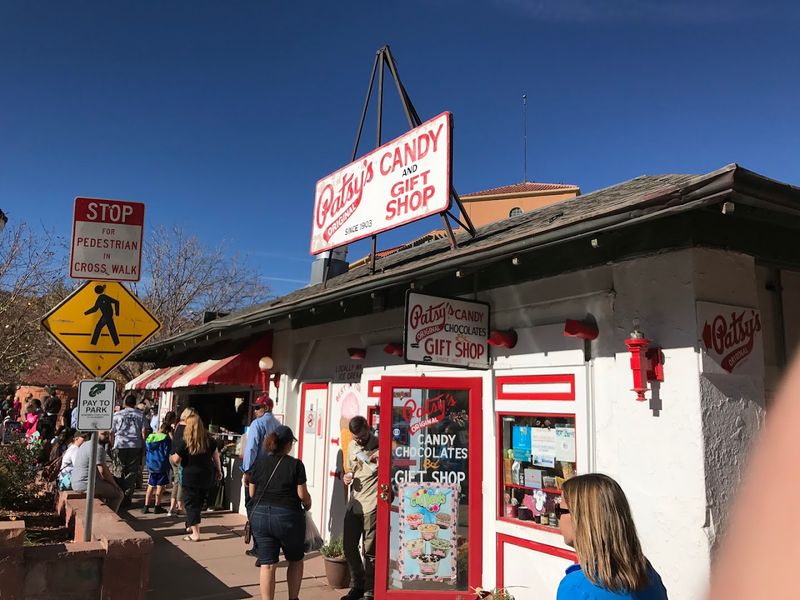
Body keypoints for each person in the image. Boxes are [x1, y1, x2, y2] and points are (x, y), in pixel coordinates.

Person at [556, 473, 668, 599]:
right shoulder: (649, 577)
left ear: (582, 519)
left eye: (559, 510)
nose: (558, 518)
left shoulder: (576, 588)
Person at [248, 424, 311, 600]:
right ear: (288, 444)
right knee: (295, 560)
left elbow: (252, 493)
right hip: (287, 517)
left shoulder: (259, 464)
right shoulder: (296, 465)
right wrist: (308, 502)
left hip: (260, 516)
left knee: (267, 565)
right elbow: (302, 494)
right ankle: (293, 598)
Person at [342, 416, 379, 600]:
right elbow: (350, 470)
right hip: (354, 503)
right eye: (356, 438)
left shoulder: (380, 445)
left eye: (362, 436)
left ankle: (369, 591)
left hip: (372, 505)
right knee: (348, 546)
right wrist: (347, 477)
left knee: (370, 551)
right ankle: (358, 583)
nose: (359, 440)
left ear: (368, 427)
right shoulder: (351, 446)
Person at [170, 413, 222, 541]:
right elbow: (216, 456)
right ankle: (191, 525)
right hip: (206, 474)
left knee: (191, 503)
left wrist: (171, 455)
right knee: (199, 502)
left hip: (190, 475)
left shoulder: (186, 441)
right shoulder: (210, 440)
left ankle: (195, 533)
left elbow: (176, 460)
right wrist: (219, 471)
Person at [242, 394, 280, 561]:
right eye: (255, 407)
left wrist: (247, 471)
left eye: (258, 407)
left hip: (258, 472)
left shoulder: (257, 424)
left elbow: (251, 449)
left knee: (253, 507)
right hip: (274, 471)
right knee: (270, 508)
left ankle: (259, 547)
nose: (255, 410)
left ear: (267, 407)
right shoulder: (278, 424)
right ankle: (271, 544)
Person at [71, 431, 125, 513]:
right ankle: (109, 517)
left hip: (76, 482)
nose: (107, 436)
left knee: (105, 489)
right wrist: (115, 485)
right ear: (96, 433)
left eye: (108, 434)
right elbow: (103, 472)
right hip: (85, 484)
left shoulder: (85, 444)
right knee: (118, 494)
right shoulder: (97, 448)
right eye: (104, 434)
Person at [110, 394, 147, 504]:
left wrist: (112, 445)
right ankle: (127, 495)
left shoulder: (117, 415)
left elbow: (111, 432)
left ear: (125, 403)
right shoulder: (140, 415)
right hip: (135, 445)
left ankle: (118, 494)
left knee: (118, 469)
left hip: (120, 444)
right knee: (131, 471)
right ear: (135, 403)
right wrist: (143, 446)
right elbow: (144, 432)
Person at [168, 407, 195, 517]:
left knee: (176, 481)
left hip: (172, 455)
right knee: (181, 482)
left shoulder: (178, 425)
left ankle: (172, 507)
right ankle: (180, 506)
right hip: (180, 456)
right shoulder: (189, 427)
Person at [143, 422, 172, 514]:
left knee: (150, 485)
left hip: (151, 464)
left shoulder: (150, 437)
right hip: (162, 464)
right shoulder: (166, 438)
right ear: (167, 431)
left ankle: (146, 506)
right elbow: (168, 451)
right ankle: (157, 505)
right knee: (160, 486)